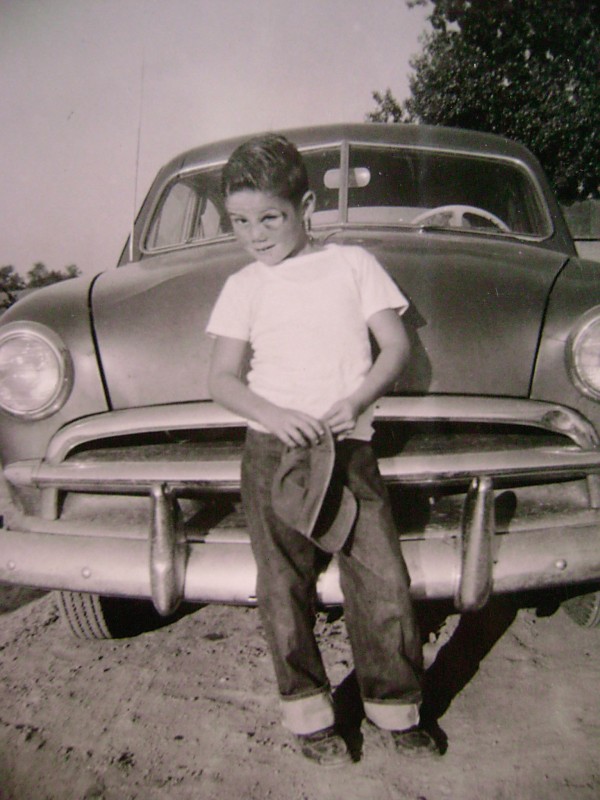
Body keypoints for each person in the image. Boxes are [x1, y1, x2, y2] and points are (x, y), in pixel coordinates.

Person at [206, 133, 438, 765]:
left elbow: (396, 349)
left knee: (383, 578)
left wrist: (358, 399)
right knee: (283, 584)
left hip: (351, 448)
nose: (255, 234)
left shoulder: (353, 265)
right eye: (240, 221)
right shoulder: (243, 286)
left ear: (305, 205)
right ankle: (309, 714)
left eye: (270, 218)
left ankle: (395, 708)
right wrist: (274, 414)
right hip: (273, 454)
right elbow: (221, 379)